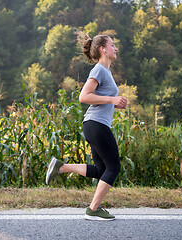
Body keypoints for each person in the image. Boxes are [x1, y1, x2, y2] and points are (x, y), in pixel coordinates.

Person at [45, 31, 128, 221]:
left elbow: (99, 99)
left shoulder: (106, 71)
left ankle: (61, 167)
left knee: (101, 170)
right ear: (103, 49)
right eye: (112, 45)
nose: (116, 48)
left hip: (95, 124)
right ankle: (93, 209)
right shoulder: (99, 69)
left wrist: (114, 103)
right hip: (96, 124)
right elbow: (84, 97)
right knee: (113, 167)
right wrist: (111, 99)